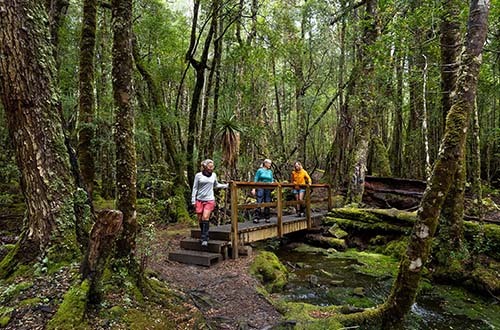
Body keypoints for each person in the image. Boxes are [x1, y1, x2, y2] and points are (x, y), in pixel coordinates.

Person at [191, 159, 228, 246]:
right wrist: (193, 200)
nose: (211, 168)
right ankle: (203, 235)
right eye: (210, 166)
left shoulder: (214, 175)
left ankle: (205, 238)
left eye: (212, 166)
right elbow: (195, 188)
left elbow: (216, 185)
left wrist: (226, 185)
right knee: (200, 219)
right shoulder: (198, 175)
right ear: (205, 166)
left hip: (209, 199)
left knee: (205, 217)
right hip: (199, 199)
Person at [251, 159, 274, 223]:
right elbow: (256, 179)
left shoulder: (270, 172)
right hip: (260, 187)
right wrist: (253, 188)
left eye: (270, 164)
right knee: (259, 200)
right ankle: (256, 217)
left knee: (267, 201)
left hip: (268, 188)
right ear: (265, 163)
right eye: (269, 163)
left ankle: (267, 217)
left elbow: (272, 179)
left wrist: (273, 184)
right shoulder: (260, 170)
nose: (270, 165)